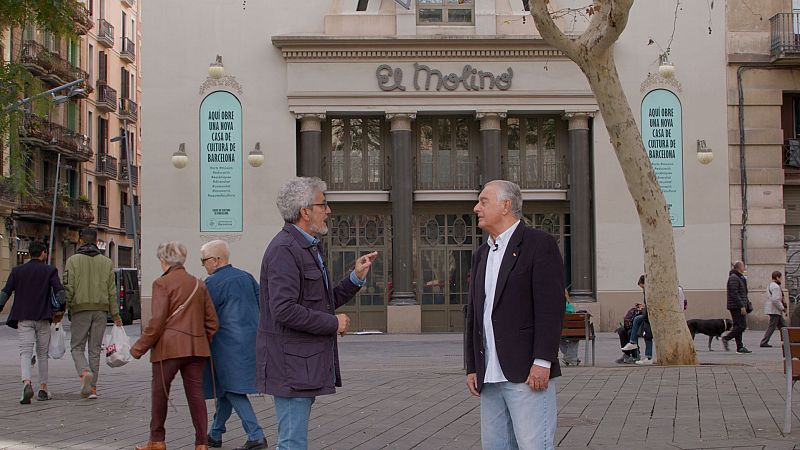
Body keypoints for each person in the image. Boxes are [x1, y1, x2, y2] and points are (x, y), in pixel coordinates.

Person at [256, 177, 378, 450]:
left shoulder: (304, 246)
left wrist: (355, 278)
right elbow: (284, 310)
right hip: (291, 366)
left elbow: (321, 301)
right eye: (323, 204)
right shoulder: (285, 250)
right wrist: (332, 323)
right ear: (305, 211)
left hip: (300, 365)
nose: (329, 210)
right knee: (292, 443)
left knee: (293, 442)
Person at [465, 179, 565, 450]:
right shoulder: (481, 254)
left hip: (526, 373)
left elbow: (550, 308)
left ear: (506, 205)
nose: (476, 208)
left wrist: (543, 361)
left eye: (484, 201)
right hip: (489, 376)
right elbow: (474, 314)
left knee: (535, 446)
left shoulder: (539, 245)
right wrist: (472, 366)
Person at [131, 241, 219, 450]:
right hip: (196, 349)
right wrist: (201, 339)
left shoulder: (161, 284)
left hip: (167, 350)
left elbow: (157, 322)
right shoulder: (198, 284)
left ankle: (157, 440)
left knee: (160, 393)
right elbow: (212, 322)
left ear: (163, 261)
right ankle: (201, 443)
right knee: (196, 395)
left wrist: (138, 348)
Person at [200, 240, 267, 450]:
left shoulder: (211, 284)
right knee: (226, 390)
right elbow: (262, 304)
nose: (203, 265)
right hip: (251, 342)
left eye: (204, 261)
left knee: (232, 390)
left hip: (225, 346)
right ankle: (215, 434)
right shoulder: (246, 277)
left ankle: (256, 435)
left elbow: (204, 317)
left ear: (216, 260)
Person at [0, 241, 65, 403]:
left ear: (29, 253)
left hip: (24, 318)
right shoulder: (50, 270)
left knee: (25, 352)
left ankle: (26, 383)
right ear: (43, 253)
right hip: (43, 318)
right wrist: (60, 310)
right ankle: (43, 389)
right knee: (42, 354)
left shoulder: (17, 271)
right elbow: (60, 292)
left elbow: (5, 292)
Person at [64, 227, 120, 399]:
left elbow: (68, 287)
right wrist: (116, 315)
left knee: (76, 347)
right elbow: (112, 291)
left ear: (81, 241)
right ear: (96, 242)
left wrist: (65, 308)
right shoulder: (107, 263)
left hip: (80, 309)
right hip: (101, 312)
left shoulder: (72, 261)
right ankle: (93, 389)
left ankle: (84, 372)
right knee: (95, 350)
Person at [621, 275, 654, 364]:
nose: (642, 289)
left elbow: (651, 305)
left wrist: (643, 309)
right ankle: (634, 343)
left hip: (650, 316)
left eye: (642, 287)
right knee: (639, 322)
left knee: (646, 334)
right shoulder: (647, 291)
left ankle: (634, 343)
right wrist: (643, 307)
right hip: (648, 315)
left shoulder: (649, 292)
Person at [722, 261, 751, 354]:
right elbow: (734, 293)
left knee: (738, 326)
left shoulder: (740, 277)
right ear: (739, 267)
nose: (744, 268)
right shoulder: (734, 278)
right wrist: (742, 306)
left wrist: (746, 303)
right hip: (736, 306)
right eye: (743, 266)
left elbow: (743, 292)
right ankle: (727, 338)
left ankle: (740, 347)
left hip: (739, 305)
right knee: (741, 326)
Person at [760, 270, 787, 348]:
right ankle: (764, 342)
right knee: (773, 326)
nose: (781, 279)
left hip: (773, 309)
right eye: (781, 277)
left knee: (783, 326)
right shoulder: (775, 287)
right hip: (774, 310)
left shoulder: (770, 285)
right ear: (777, 277)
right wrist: (782, 308)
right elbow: (775, 299)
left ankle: (788, 339)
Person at [559, 289, 580, 366]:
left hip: (559, 332)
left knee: (560, 340)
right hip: (571, 332)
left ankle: (571, 357)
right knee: (575, 338)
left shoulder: (553, 307)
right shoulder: (569, 306)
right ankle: (571, 358)